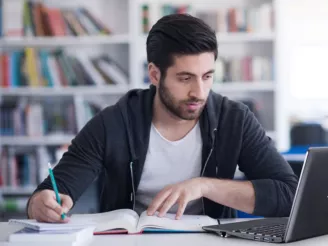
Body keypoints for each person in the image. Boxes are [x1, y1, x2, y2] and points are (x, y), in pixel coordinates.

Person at [27, 14, 298, 223]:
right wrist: (42, 203)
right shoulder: (113, 123)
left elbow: (288, 195)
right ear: (154, 75)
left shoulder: (234, 120)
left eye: (207, 76)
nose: (199, 92)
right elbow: (54, 190)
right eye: (185, 78)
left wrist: (204, 186)